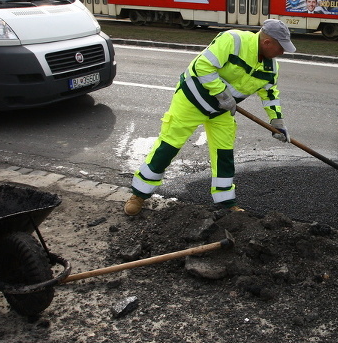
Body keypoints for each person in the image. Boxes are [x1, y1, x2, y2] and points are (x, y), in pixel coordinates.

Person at [124, 19, 296, 216]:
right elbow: (203, 66)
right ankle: (139, 194)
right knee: (168, 146)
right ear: (267, 43)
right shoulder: (233, 40)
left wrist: (277, 121)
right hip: (191, 101)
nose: (282, 53)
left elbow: (270, 94)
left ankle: (226, 203)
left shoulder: (271, 67)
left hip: (221, 112)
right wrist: (223, 95)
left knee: (224, 154)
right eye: (281, 48)